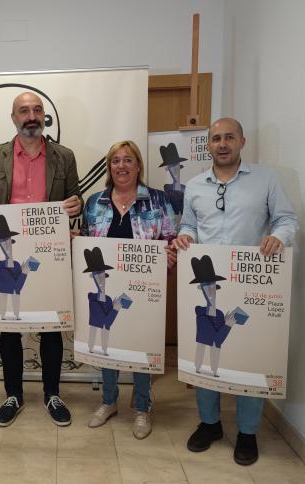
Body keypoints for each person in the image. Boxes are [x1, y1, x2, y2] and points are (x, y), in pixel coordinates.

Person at [172, 117, 298, 465]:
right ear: (208, 145)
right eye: (216, 138)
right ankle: (210, 424)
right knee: (206, 351)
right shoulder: (195, 186)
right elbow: (188, 225)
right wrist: (187, 238)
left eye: (229, 137)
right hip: (207, 284)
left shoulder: (266, 180)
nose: (222, 144)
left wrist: (279, 237)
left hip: (248, 281)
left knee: (248, 356)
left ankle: (247, 432)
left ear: (242, 141)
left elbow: (287, 219)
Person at [0, 91, 82, 427]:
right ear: (13, 117)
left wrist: (77, 205)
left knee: (50, 328)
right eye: (23, 111)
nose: (31, 115)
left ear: (44, 115)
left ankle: (52, 394)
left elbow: (77, 198)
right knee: (9, 327)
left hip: (47, 253)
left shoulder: (64, 155)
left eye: (36, 109)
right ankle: (13, 395)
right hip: (7, 251)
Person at [80, 140, 177, 439]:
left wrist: (171, 254)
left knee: (141, 344)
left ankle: (142, 408)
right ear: (109, 167)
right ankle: (108, 402)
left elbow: (173, 239)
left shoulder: (159, 201)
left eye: (128, 160)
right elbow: (86, 239)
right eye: (116, 161)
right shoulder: (95, 201)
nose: (121, 166)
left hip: (144, 288)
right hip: (105, 286)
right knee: (108, 343)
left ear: (138, 166)